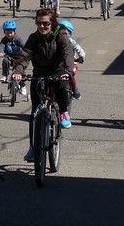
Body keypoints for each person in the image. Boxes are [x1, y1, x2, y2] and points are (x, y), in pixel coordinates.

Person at [12, 9, 74, 162]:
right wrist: (18, 71)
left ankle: (63, 112)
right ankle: (33, 147)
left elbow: (68, 54)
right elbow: (26, 54)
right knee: (34, 114)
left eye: (45, 23)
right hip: (40, 72)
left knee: (60, 86)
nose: (42, 26)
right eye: (39, 23)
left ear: (52, 23)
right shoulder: (34, 38)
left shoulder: (61, 36)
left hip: (59, 71)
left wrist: (67, 70)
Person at [0, 20, 27, 96]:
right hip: (9, 56)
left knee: (22, 70)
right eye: (7, 33)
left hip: (18, 57)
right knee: (5, 61)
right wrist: (0, 52)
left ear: (14, 31)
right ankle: (5, 75)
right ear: (4, 32)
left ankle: (23, 85)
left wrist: (25, 52)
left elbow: (24, 46)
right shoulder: (4, 40)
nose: (9, 34)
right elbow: (1, 46)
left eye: (11, 32)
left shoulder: (17, 39)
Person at [59, 20, 85, 100]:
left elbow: (80, 51)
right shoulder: (57, 41)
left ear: (69, 33)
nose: (62, 32)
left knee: (71, 74)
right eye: (60, 29)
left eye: (64, 30)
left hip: (71, 63)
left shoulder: (72, 42)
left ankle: (75, 88)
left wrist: (81, 57)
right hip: (60, 64)